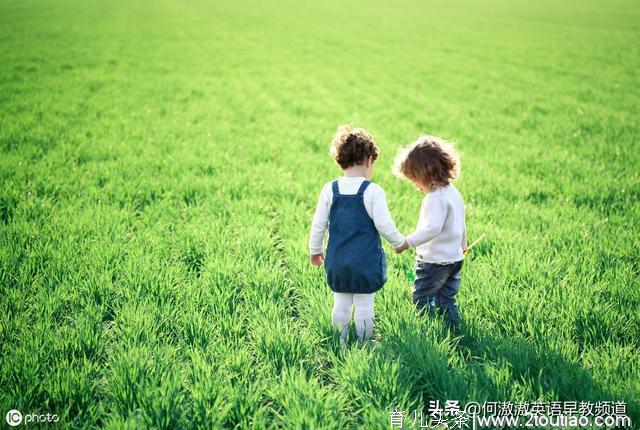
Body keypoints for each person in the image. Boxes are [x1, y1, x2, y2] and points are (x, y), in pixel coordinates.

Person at [309, 125, 405, 346]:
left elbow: (319, 224)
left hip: (338, 260)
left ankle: (339, 342)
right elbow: (385, 225)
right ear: (368, 160)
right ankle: (364, 343)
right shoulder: (373, 191)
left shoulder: (329, 189)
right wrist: (399, 243)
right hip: (365, 262)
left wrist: (315, 250)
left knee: (341, 303)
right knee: (364, 305)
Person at [393, 135, 467, 331]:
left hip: (434, 263)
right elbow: (461, 222)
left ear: (427, 174)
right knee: (446, 297)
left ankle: (426, 330)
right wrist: (463, 244)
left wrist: (407, 242)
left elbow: (432, 228)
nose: (415, 185)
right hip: (454, 259)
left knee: (422, 297)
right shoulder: (453, 192)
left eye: (415, 180)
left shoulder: (435, 198)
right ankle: (454, 327)